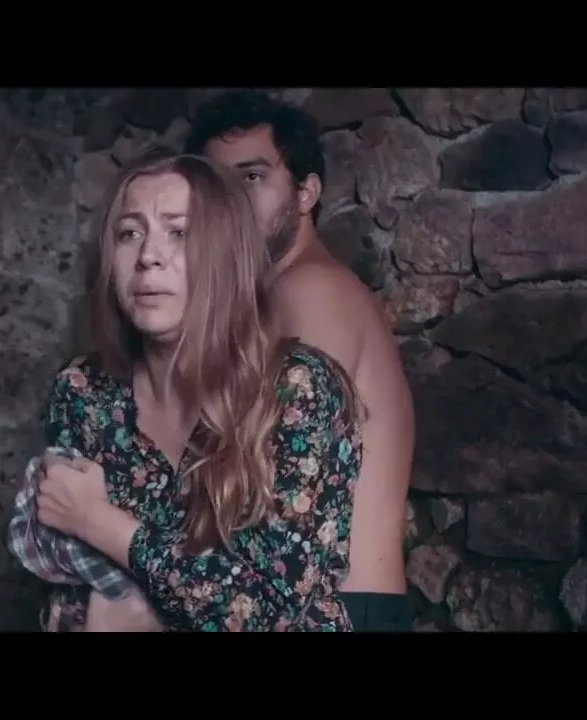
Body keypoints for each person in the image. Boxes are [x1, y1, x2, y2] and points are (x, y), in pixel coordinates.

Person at [33, 148, 365, 631]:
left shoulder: (298, 388)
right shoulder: (83, 391)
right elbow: (67, 586)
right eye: (129, 234)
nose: (148, 256)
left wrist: (97, 521)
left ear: (225, 254)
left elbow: (265, 608)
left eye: (179, 232)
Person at [176, 90, 416, 631]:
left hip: (337, 609)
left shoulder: (309, 291)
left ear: (306, 192)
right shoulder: (280, 294)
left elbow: (269, 494)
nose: (231, 200)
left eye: (252, 177)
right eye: (216, 185)